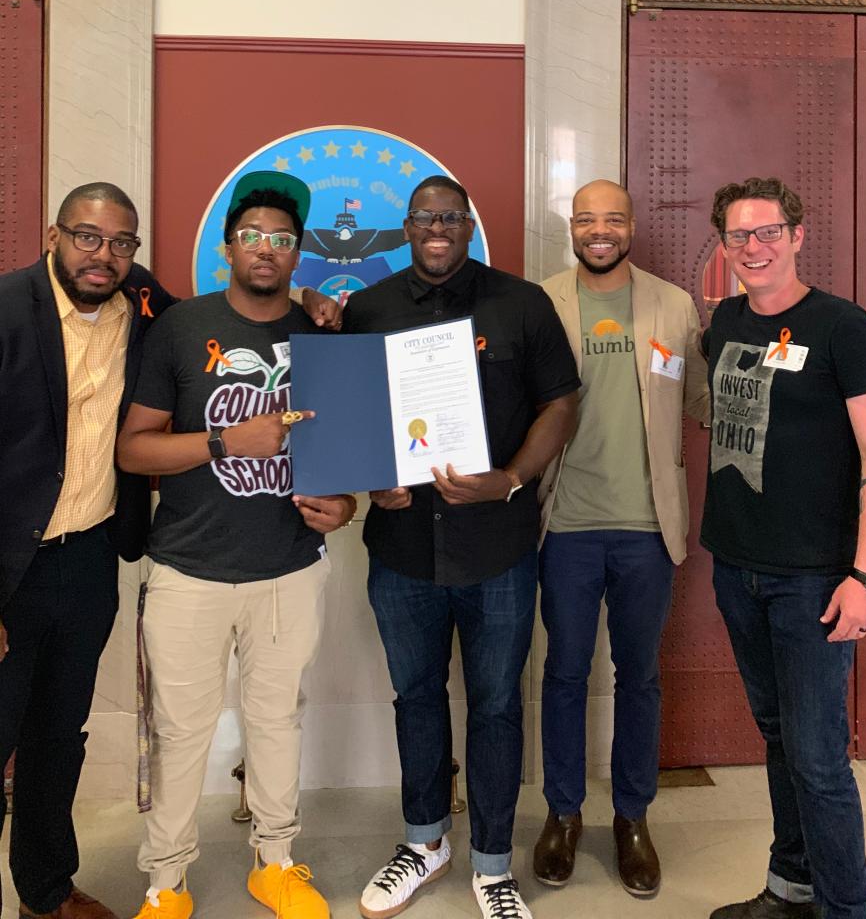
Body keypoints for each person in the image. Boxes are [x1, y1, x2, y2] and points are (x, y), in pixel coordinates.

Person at [117, 171, 356, 919]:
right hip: (189, 569)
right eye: (252, 235)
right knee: (181, 731)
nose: (265, 249)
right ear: (228, 245)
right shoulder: (181, 329)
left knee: (277, 721)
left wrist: (342, 508)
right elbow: (134, 450)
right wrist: (227, 440)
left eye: (281, 239)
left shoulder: (321, 333)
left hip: (289, 568)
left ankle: (276, 862)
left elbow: (343, 462)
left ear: (298, 254)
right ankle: (167, 879)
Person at [345, 176, 579, 919]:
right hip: (403, 549)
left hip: (498, 550)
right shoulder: (369, 309)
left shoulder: (522, 303)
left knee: (497, 706)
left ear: (470, 224)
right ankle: (424, 842)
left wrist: (509, 478)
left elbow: (561, 401)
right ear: (406, 227)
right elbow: (352, 415)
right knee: (415, 699)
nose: (438, 229)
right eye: (425, 218)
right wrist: (373, 477)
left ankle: (491, 863)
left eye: (451, 218)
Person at [702, 177, 866, 919]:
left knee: (818, 761)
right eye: (738, 236)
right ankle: (791, 890)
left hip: (814, 580)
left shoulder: (846, 330)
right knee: (780, 740)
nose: (753, 249)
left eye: (768, 233)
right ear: (722, 245)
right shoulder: (724, 321)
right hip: (737, 568)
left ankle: (845, 907)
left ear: (797, 234)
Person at [0, 182, 176, 919]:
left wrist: (322, 313)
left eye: (122, 242)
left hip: (89, 558)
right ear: (53, 235)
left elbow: (220, 323)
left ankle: (46, 891)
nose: (104, 255)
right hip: (8, 564)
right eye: (88, 237)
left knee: (56, 735)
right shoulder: (8, 310)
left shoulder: (140, 303)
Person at [533, 179, 710, 897]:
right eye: (585, 219)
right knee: (565, 675)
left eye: (611, 219)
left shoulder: (674, 304)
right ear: (570, 228)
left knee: (638, 678)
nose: (598, 230)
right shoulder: (542, 302)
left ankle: (633, 818)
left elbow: (700, 398)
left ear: (632, 226)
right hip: (565, 524)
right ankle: (564, 814)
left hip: (647, 528)